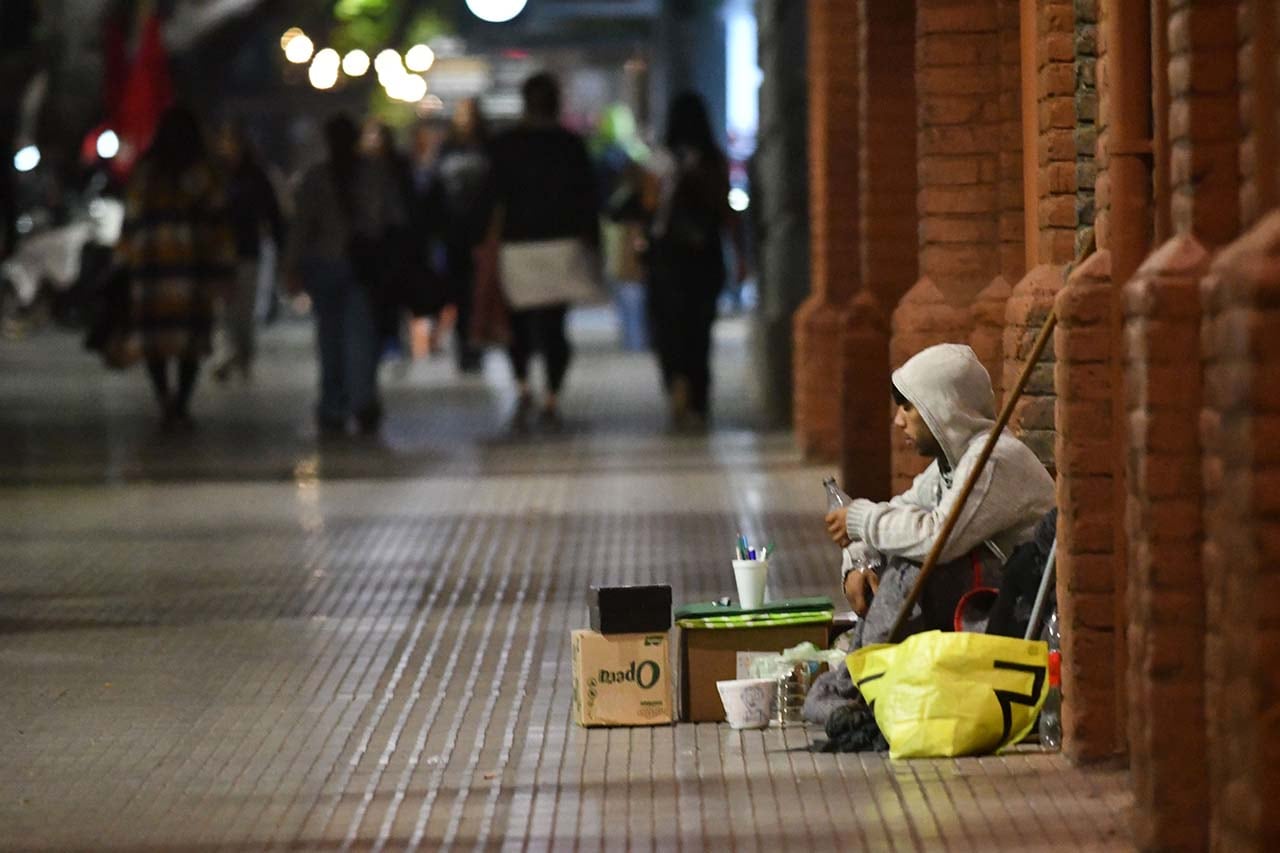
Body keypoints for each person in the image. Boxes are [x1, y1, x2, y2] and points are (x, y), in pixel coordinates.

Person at [804, 343, 1056, 725]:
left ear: (944, 409)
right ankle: (869, 678)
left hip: (1018, 616)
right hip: (980, 607)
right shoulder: (953, 464)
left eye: (908, 406)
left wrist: (859, 520)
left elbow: (938, 537)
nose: (898, 421)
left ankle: (861, 685)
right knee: (897, 549)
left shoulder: (994, 461)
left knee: (913, 563)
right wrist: (860, 560)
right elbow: (900, 513)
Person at [488, 72, 599, 431]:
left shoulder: (505, 145)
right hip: (561, 242)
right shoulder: (570, 144)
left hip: (517, 243)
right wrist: (592, 242)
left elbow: (491, 197)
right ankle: (551, 393)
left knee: (518, 321)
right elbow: (588, 198)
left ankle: (523, 384)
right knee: (554, 324)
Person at [115, 105, 234, 430]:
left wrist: (123, 260)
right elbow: (218, 223)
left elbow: (131, 219)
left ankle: (165, 399)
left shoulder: (147, 171)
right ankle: (180, 402)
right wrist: (222, 267)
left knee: (155, 339)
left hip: (150, 269)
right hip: (190, 270)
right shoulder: (200, 174)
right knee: (188, 341)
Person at [284, 114, 404, 436]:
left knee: (331, 338)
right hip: (359, 268)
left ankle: (334, 403)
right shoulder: (373, 175)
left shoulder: (317, 178)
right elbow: (393, 219)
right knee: (359, 336)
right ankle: (361, 400)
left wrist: (292, 266)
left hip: (327, 265)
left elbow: (301, 228)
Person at [645, 92, 746, 431]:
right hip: (705, 256)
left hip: (666, 257)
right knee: (699, 331)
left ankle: (676, 381)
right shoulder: (714, 161)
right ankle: (699, 401)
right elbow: (726, 212)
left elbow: (646, 209)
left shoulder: (660, 160)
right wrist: (741, 257)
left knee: (669, 326)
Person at [212, 119, 285, 383]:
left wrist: (282, 247)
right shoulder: (215, 175)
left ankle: (242, 356)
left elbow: (273, 213)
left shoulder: (255, 176)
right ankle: (227, 355)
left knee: (243, 309)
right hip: (219, 252)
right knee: (224, 309)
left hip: (247, 250)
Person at [432, 98, 494, 373]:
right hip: (455, 234)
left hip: (482, 233)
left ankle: (477, 344)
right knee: (461, 294)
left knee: (480, 292)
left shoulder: (489, 148)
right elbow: (435, 191)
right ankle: (466, 347)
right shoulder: (448, 149)